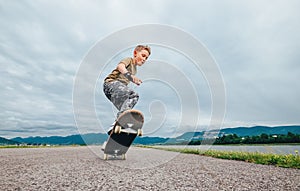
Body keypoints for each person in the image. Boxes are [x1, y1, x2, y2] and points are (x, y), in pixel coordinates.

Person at [103, 45, 151, 134]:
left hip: (114, 92)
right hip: (110, 84)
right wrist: (131, 77)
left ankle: (117, 128)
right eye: (143, 56)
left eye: (146, 58)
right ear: (135, 53)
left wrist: (134, 79)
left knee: (126, 108)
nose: (144, 59)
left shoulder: (135, 69)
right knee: (134, 96)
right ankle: (118, 123)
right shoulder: (129, 60)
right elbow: (120, 67)